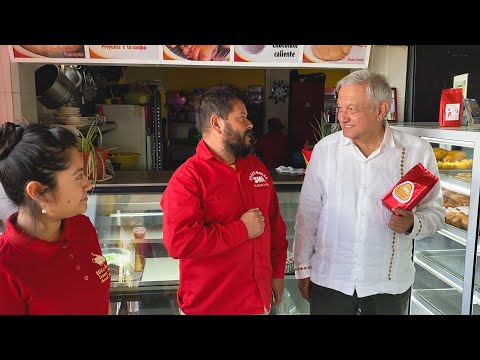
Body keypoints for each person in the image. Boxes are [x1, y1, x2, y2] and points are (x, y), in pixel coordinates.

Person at [293, 70, 445, 315]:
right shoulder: (325, 150)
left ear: (381, 109)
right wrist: (302, 268)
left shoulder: (416, 151)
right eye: (340, 108)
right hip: (331, 282)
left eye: (352, 109)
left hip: (387, 286)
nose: (342, 117)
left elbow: (436, 213)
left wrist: (412, 223)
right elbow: (308, 215)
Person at [160, 84, 288, 315]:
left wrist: (278, 274)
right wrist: (241, 229)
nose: (249, 124)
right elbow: (180, 242)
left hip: (257, 303)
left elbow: (275, 227)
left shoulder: (256, 168)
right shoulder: (188, 178)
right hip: (209, 306)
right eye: (242, 118)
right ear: (217, 123)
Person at [0, 122, 111, 315]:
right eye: (78, 177)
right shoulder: (6, 268)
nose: (88, 185)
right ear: (39, 192)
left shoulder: (81, 226)